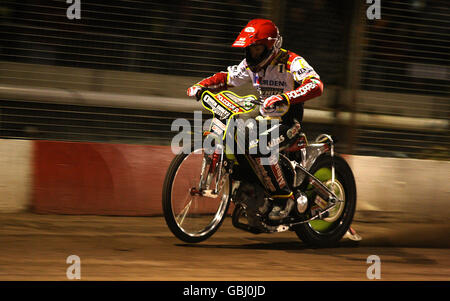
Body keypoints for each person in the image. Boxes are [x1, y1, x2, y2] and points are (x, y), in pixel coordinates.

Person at [187, 19, 324, 220]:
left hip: (288, 122)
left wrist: (285, 97)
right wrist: (202, 85)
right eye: (251, 49)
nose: (254, 54)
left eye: (258, 49)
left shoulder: (291, 61)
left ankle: (283, 198)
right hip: (262, 119)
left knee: (260, 146)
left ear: (272, 46)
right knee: (235, 132)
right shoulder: (251, 65)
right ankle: (250, 185)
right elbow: (227, 78)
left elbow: (316, 85)